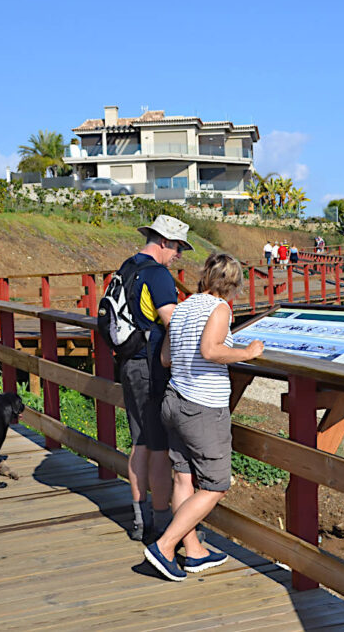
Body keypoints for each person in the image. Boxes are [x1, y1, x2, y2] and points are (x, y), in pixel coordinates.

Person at [143, 253, 265, 581]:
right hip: (202, 407)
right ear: (233, 284)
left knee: (183, 478)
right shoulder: (220, 308)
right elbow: (211, 351)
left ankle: (194, 550)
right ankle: (165, 546)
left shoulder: (183, 306)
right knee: (215, 486)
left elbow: (166, 358)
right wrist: (247, 353)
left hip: (174, 400)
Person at [117, 214, 193, 542]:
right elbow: (172, 321)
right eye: (177, 247)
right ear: (163, 241)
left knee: (139, 441)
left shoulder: (127, 267)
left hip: (128, 363)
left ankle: (139, 518)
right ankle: (162, 524)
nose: (178, 255)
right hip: (150, 368)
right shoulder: (158, 275)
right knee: (159, 448)